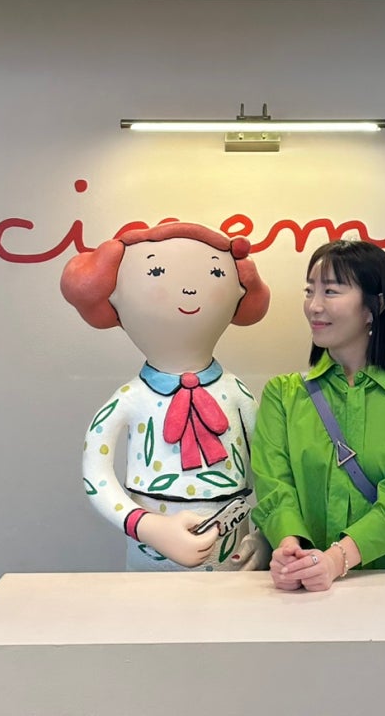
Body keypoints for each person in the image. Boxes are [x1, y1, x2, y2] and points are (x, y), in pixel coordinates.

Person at [60, 221, 271, 571]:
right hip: (148, 560)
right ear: (112, 298)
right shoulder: (130, 398)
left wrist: (266, 533)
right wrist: (146, 526)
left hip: (234, 556)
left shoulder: (236, 393)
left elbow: (268, 468)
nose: (189, 290)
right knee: (151, 609)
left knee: (231, 610)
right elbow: (96, 476)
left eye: (215, 272)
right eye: (156, 272)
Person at [251, 239, 385, 591]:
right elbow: (275, 488)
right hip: (300, 586)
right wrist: (290, 549)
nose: (314, 306)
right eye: (310, 290)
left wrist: (334, 560)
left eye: (331, 291)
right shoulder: (282, 394)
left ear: (374, 307)